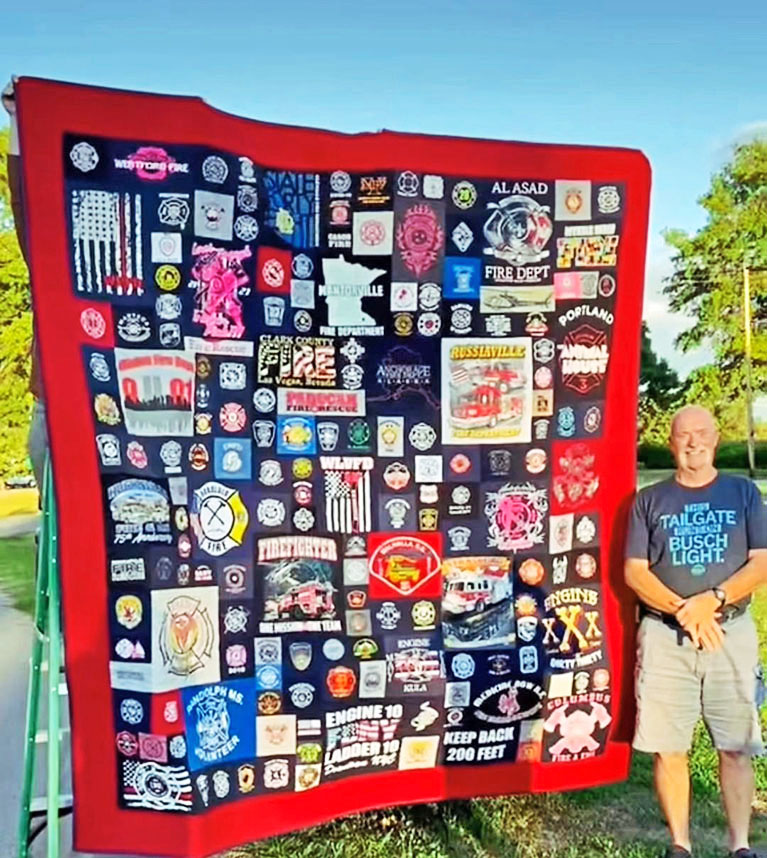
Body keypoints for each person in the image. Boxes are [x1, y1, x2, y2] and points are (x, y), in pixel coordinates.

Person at [625, 404, 767, 858]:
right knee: (669, 747)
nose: (694, 442)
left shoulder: (743, 493)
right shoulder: (649, 500)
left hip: (731, 632)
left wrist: (713, 600)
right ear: (671, 442)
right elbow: (635, 572)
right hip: (666, 635)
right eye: (684, 435)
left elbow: (762, 561)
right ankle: (680, 845)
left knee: (736, 745)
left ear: (716, 438)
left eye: (702, 433)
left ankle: (741, 845)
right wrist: (685, 610)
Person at [2, 76, 48, 492]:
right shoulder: (51, 260)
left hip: (106, 405)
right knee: (41, 452)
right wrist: (20, 121)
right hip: (50, 400)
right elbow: (21, 198)